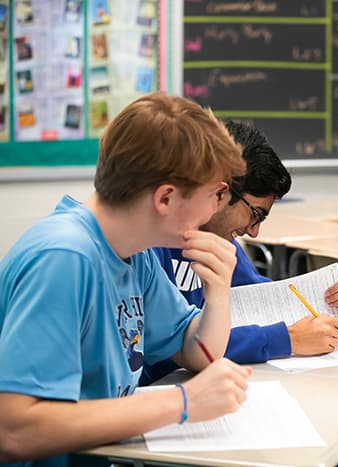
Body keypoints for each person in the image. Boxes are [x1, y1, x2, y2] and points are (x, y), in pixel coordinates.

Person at [0, 94, 252, 466]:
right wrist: (182, 403)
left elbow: (198, 351)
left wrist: (217, 295)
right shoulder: (64, 258)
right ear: (165, 198)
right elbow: (14, 430)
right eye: (214, 195)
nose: (216, 209)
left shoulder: (135, 254)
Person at [140, 120, 338, 386]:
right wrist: (287, 339)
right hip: (161, 389)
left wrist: (331, 301)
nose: (253, 232)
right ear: (220, 192)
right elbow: (174, 346)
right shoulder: (150, 246)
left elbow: (264, 299)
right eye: (255, 214)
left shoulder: (220, 242)